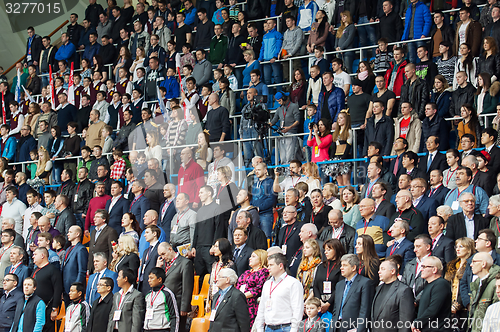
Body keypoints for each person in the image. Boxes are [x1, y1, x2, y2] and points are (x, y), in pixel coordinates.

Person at [254, 253, 304, 332]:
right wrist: (259, 328)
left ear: (280, 266)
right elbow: (261, 308)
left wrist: (294, 329)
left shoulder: (293, 283)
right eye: (268, 265)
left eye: (271, 265)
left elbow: (297, 309)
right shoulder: (267, 284)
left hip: (286, 327)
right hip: (268, 327)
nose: (268, 268)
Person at [156, 242, 194, 332]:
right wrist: (158, 268)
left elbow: (187, 287)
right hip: (164, 305)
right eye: (160, 255)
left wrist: (184, 307)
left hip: (177, 304)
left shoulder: (185, 263)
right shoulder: (163, 264)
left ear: (170, 249)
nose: (163, 257)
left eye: (163, 254)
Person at [371, 259, 414, 332]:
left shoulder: (404, 290)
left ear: (393, 271)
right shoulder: (377, 289)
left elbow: (405, 322)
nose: (379, 272)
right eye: (379, 269)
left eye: (383, 269)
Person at [412, 256, 452, 332]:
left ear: (434, 269)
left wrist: (417, 323)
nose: (421, 269)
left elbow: (433, 309)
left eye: (424, 267)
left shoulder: (441, 284)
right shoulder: (429, 285)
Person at [31, 247, 63, 332]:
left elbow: (58, 289)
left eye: (35, 254)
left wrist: (54, 308)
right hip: (34, 307)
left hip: (47, 308)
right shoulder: (35, 270)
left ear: (42, 255)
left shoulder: (52, 270)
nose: (32, 256)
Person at [235, 249, 269, 328]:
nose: (250, 258)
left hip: (252, 304)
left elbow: (259, 288)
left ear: (261, 259)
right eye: (250, 256)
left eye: (253, 256)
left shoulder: (264, 271)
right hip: (240, 302)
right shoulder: (247, 272)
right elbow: (238, 285)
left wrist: (242, 296)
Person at [107, 268, 146, 332]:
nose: (117, 279)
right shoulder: (116, 295)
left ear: (125, 279)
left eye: (119, 276)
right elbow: (111, 315)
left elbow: (137, 320)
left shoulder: (137, 295)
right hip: (114, 329)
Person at [62, 226, 88, 302]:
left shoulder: (81, 249)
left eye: (70, 232)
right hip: (66, 288)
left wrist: (76, 287)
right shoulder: (68, 249)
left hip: (74, 289)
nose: (67, 234)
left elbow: (82, 271)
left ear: (77, 234)